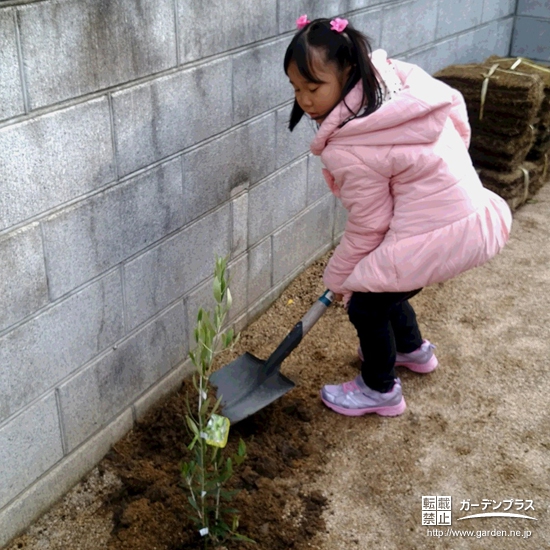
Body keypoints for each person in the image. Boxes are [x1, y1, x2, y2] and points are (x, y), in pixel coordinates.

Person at [284, 15, 512, 417]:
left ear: (348, 70)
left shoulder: (352, 144)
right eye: (296, 88)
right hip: (470, 212)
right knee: (388, 280)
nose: (303, 99)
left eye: (313, 86)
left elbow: (370, 225)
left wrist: (340, 278)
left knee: (365, 303)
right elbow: (457, 123)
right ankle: (412, 351)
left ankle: (380, 389)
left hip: (439, 229)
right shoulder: (395, 85)